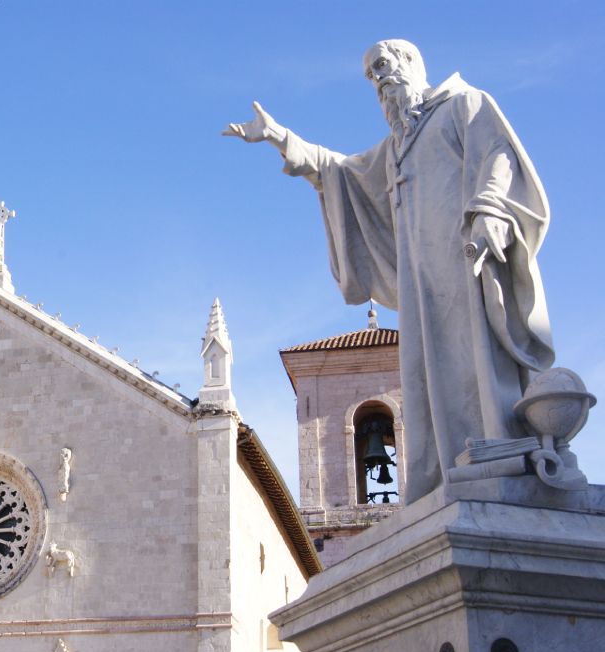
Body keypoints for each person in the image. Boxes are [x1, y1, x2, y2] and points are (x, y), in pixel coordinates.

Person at [224, 39, 554, 503]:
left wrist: (487, 216)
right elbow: (340, 170)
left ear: (411, 64)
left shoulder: (464, 105)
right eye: (370, 75)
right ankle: (442, 467)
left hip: (466, 256)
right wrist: (280, 137)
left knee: (473, 354)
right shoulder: (398, 147)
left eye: (382, 67)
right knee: (426, 374)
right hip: (421, 281)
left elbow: (498, 159)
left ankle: (496, 448)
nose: (378, 79)